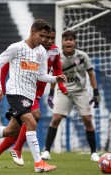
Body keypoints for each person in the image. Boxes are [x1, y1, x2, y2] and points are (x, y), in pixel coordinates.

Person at [0, 19, 67, 173]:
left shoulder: (41, 52)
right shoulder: (17, 47)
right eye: (41, 36)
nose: (43, 40)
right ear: (32, 32)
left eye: (46, 37)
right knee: (32, 122)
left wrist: (56, 79)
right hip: (15, 92)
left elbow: (41, 75)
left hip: (29, 95)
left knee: (11, 132)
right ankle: (39, 164)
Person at [41, 30, 101, 162]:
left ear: (75, 42)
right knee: (56, 118)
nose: (68, 42)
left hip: (80, 91)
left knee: (87, 120)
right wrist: (51, 94)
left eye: (71, 39)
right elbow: (54, 76)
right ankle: (46, 151)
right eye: (66, 39)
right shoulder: (57, 56)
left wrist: (96, 92)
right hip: (64, 91)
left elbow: (91, 74)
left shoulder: (83, 56)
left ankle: (94, 153)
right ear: (62, 42)